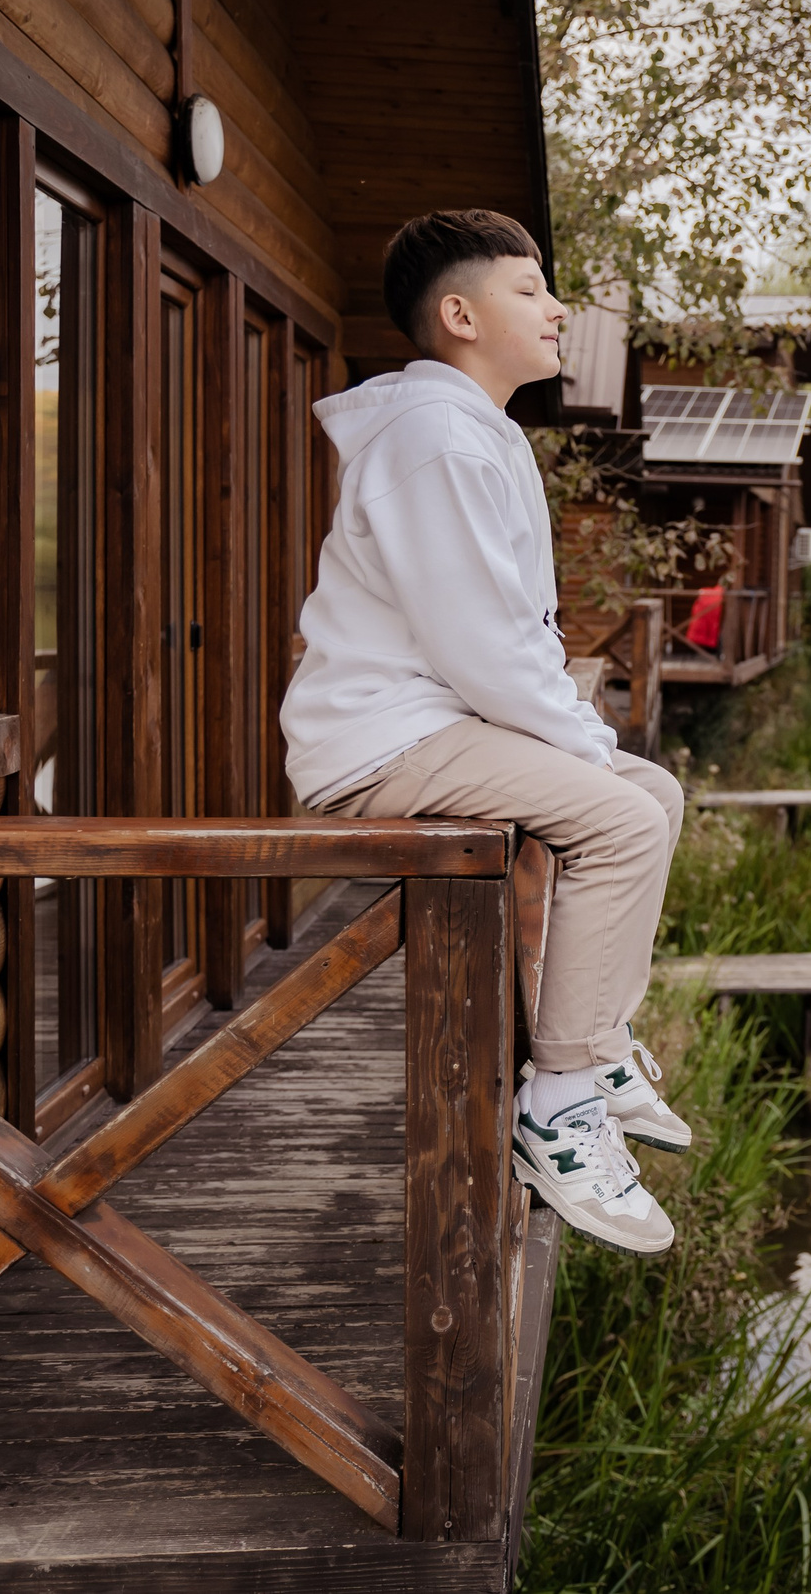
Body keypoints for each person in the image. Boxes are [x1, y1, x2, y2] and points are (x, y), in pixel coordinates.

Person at [281, 209, 688, 1257]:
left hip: (432, 722)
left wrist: (583, 741)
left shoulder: (471, 429)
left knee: (654, 796)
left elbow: (506, 637)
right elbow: (481, 644)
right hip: (384, 742)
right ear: (459, 315)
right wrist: (581, 741)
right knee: (622, 817)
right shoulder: (435, 437)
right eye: (529, 289)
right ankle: (558, 1107)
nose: (556, 310)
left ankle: (594, 1053)